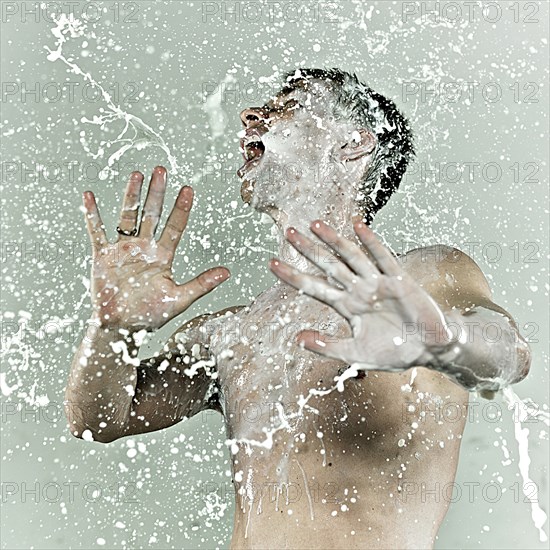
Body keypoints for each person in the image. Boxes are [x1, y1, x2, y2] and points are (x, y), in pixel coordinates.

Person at [65, 68, 531, 549]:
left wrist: (436, 339)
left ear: (354, 144)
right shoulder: (231, 331)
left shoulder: (426, 276)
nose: (251, 114)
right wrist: (113, 329)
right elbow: (98, 421)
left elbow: (508, 355)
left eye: (287, 104)